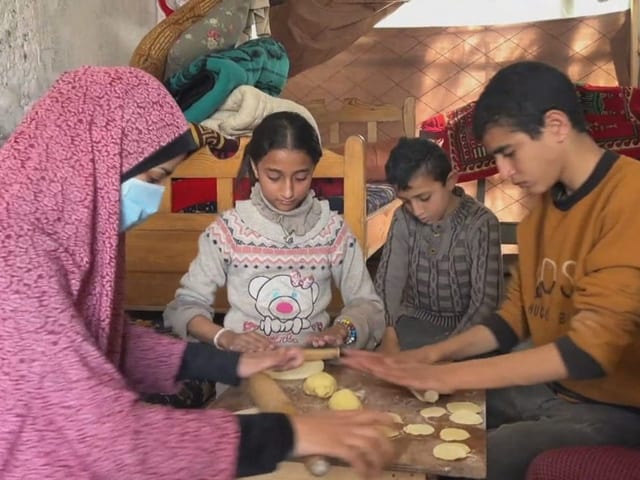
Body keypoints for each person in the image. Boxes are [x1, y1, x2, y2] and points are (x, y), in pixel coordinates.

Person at [0, 66, 396, 479]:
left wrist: (228, 365)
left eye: (301, 177)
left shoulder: (40, 233)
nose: (153, 201)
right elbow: (105, 439)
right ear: (88, 160)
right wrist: (288, 433)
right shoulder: (14, 262)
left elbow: (98, 343)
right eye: (153, 178)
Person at [342, 61, 640, 479]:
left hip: (619, 412)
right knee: (410, 413)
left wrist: (450, 374)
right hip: (552, 391)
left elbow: (589, 352)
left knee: (465, 458)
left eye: (509, 152)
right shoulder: (542, 213)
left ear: (555, 126)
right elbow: (510, 321)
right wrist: (432, 355)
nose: (503, 172)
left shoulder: (629, 198)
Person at [163, 111, 385, 352]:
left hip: (313, 365)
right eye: (274, 176)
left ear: (313, 169)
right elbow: (184, 307)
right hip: (246, 370)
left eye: (301, 177)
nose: (288, 192)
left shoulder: (333, 231)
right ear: (255, 168)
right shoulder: (228, 231)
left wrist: (342, 329)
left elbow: (367, 304)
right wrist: (226, 338)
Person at [375, 137, 502, 352]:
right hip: (413, 323)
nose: (416, 211)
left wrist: (446, 352)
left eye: (424, 198)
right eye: (406, 201)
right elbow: (389, 281)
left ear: (451, 181)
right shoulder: (402, 219)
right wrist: (388, 331)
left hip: (467, 331)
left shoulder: (481, 223)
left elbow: (485, 304)